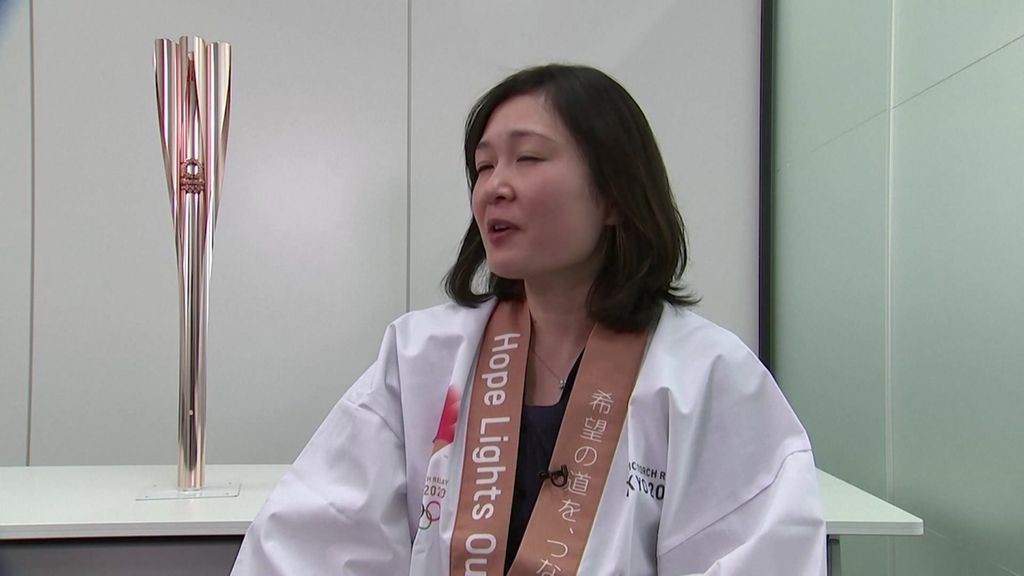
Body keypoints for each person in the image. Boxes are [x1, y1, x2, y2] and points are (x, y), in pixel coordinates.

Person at [231, 64, 826, 575]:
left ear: (615, 195)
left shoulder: (707, 375)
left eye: (528, 158)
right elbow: (314, 537)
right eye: (484, 167)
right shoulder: (420, 356)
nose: (494, 187)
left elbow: (760, 551)